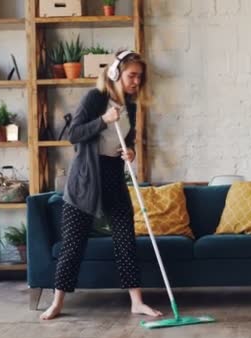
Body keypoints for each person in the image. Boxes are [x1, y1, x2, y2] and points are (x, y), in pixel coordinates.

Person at [40, 50, 163, 320]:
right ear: (116, 73)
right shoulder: (95, 98)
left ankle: (136, 302)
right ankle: (57, 303)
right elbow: (73, 134)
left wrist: (129, 151)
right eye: (132, 75)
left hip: (113, 175)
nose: (136, 82)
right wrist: (103, 120)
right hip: (85, 178)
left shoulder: (130, 105)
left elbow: (124, 140)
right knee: (73, 245)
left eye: (140, 77)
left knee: (125, 241)